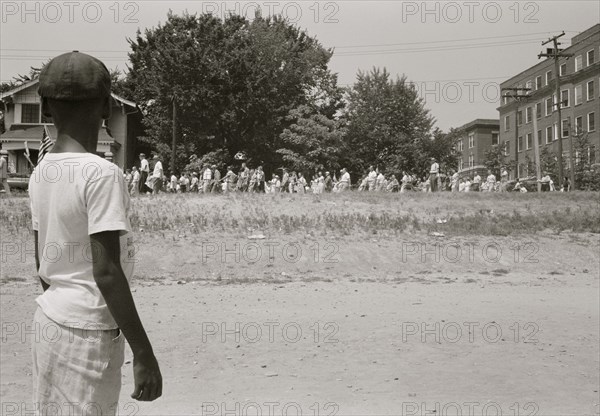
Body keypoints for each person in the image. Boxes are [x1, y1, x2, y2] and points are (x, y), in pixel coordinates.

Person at [29, 51, 162, 415]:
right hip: (88, 332)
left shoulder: (41, 172)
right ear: (106, 107)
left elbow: (42, 260)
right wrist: (143, 353)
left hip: (50, 317)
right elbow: (106, 271)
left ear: (44, 108)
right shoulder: (101, 174)